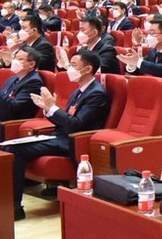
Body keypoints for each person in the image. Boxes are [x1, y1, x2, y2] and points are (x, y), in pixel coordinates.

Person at [7, 53, 110, 220]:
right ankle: (8, 203)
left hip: (73, 142)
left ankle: (14, 208)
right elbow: (65, 121)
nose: (69, 68)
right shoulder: (79, 91)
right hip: (59, 136)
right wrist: (47, 109)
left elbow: (75, 125)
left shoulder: (96, 94)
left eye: (74, 65)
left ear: (87, 69)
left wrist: (53, 108)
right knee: (9, 146)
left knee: (15, 150)